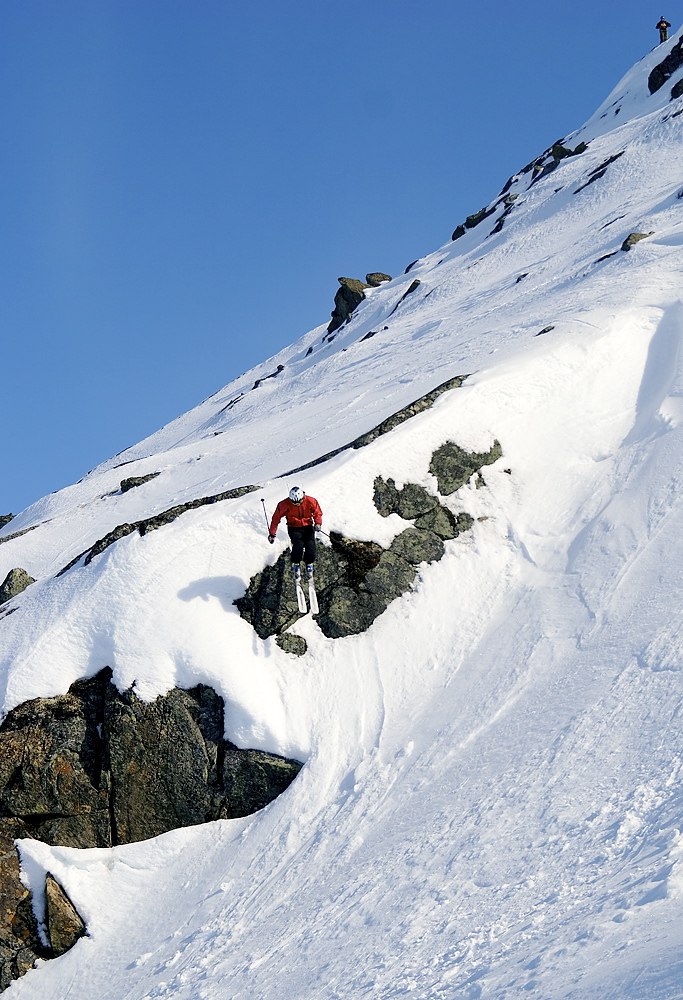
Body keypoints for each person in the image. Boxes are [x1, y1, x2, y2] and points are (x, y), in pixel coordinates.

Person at [268, 486, 323, 580]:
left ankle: (309, 563)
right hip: (294, 527)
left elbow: (317, 512)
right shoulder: (284, 504)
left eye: (299, 501)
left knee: (311, 546)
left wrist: (318, 523)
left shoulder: (311, 501)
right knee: (298, 545)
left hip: (308, 526)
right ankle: (296, 563)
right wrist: (272, 533)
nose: (297, 504)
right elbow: (276, 518)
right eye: (294, 502)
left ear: (302, 497)